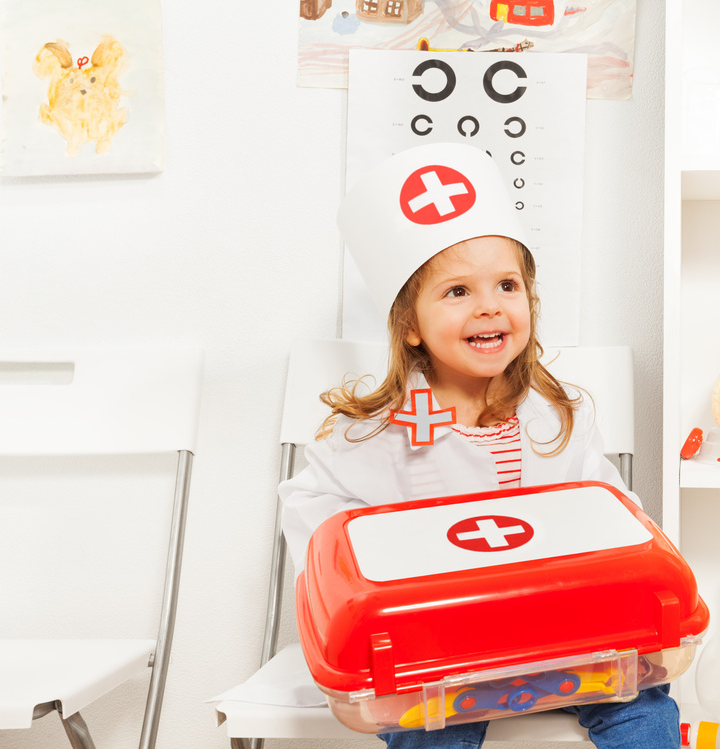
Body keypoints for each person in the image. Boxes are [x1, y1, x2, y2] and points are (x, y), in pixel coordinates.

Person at [279, 142, 680, 749]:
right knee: (425, 732)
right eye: (457, 291)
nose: (489, 304)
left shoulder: (557, 418)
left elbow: (613, 512)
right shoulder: (379, 430)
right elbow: (318, 522)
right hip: (436, 654)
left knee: (644, 703)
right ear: (409, 324)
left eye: (507, 285)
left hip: (562, 641)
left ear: (529, 301)